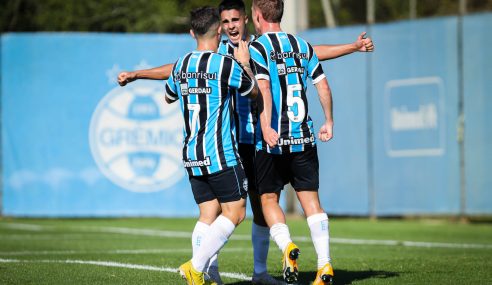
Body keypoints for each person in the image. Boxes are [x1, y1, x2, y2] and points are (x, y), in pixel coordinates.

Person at [118, 1, 374, 284]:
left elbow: (313, 52)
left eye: (235, 20)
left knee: (261, 207)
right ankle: (207, 270)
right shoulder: (223, 54)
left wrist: (351, 47)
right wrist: (139, 74)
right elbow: (177, 69)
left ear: (248, 20)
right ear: (219, 27)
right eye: (225, 22)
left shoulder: (258, 46)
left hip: (259, 141)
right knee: (220, 210)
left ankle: (259, 273)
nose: (230, 26)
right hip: (237, 142)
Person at [164, 6, 257, 285]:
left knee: (207, 214)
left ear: (192, 33)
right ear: (219, 31)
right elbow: (252, 92)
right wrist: (244, 63)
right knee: (236, 212)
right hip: (220, 153)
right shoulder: (223, 64)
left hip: (192, 154)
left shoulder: (181, 64)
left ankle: (207, 275)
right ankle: (195, 266)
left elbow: (169, 96)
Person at [249, 0, 335, 284]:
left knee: (268, 199)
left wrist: (266, 127)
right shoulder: (302, 45)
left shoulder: (258, 47)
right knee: (312, 202)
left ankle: (287, 247)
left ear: (258, 16)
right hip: (304, 137)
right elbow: (322, 85)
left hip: (273, 141)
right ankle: (324, 266)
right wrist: (329, 121)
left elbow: (264, 89)